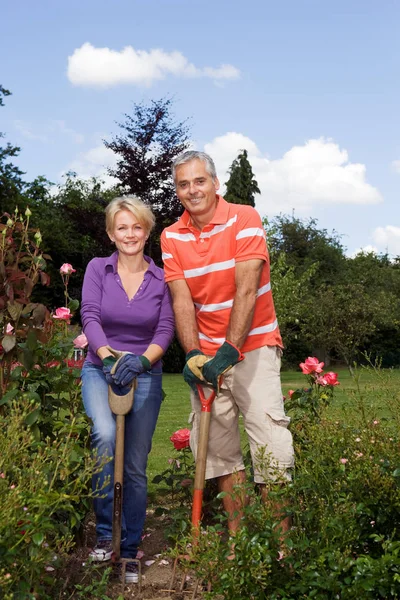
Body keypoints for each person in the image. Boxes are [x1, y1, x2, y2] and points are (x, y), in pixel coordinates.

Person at [161, 151, 294, 541]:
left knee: (269, 446)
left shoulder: (244, 218)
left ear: (215, 184)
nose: (192, 190)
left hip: (252, 346)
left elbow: (247, 288)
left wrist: (230, 351)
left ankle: (280, 549)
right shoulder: (171, 236)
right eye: (183, 184)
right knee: (219, 453)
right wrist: (192, 354)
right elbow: (182, 300)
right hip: (208, 355)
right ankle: (240, 550)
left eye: (199, 181)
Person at [81, 196, 174, 583]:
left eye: (137, 226)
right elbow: (89, 314)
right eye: (122, 227)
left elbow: (165, 328)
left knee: (135, 464)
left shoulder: (162, 277)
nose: (130, 233)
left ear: (147, 231)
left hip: (145, 371)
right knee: (104, 437)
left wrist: (143, 361)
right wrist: (106, 357)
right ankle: (105, 536)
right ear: (110, 233)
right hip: (100, 368)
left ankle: (131, 547)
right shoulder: (97, 269)